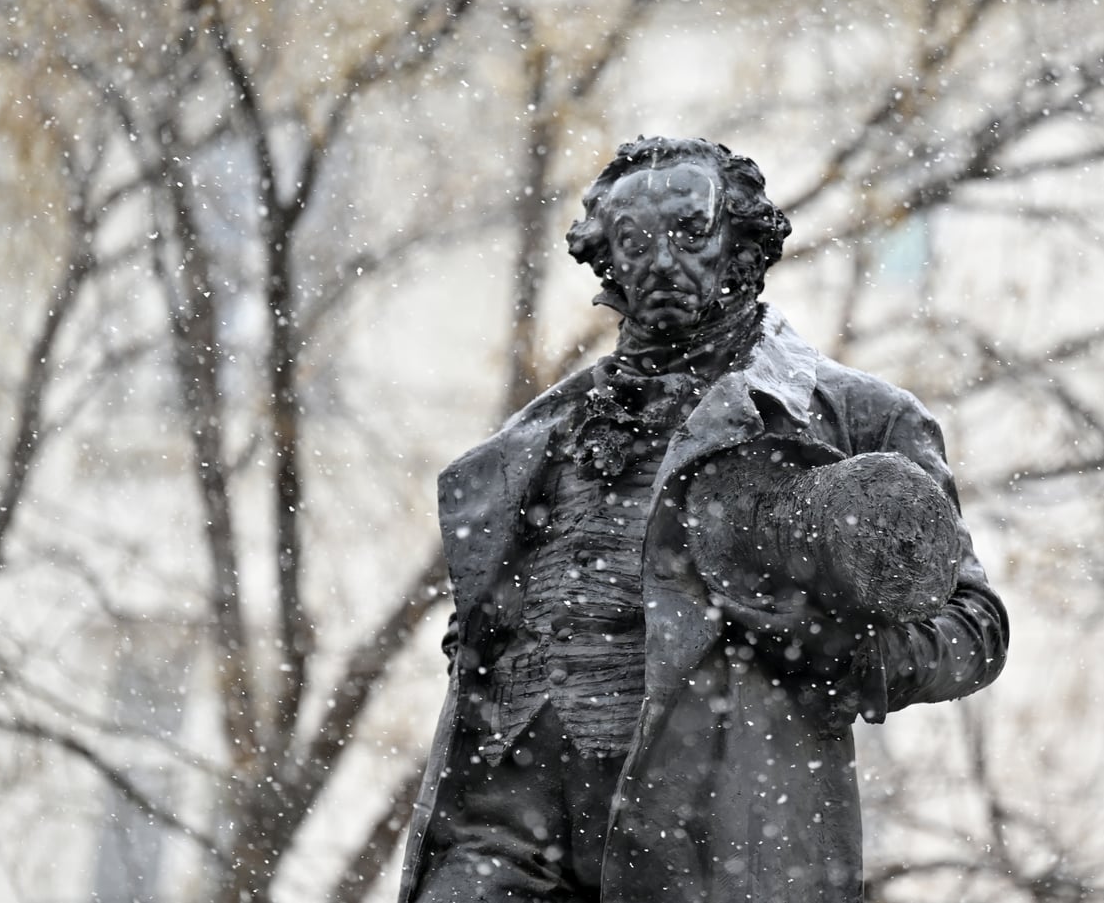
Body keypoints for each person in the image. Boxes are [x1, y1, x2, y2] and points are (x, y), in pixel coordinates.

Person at [400, 136, 1008, 903]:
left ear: (742, 240)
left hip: (707, 834)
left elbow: (976, 629)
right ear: (606, 257)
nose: (662, 260)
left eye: (691, 231)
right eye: (635, 239)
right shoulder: (537, 438)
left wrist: (840, 654)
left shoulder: (854, 415)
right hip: (509, 829)